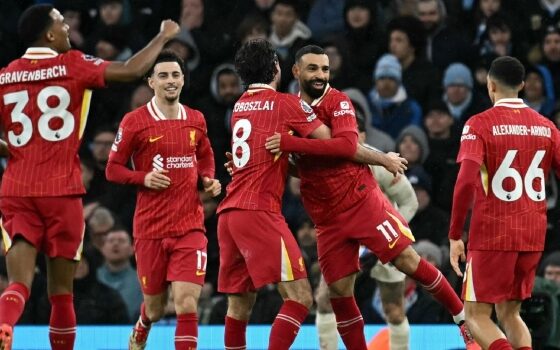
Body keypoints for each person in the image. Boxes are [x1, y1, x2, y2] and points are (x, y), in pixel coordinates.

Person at [265, 45, 479, 349]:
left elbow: (344, 147)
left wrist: (288, 142)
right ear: (296, 71)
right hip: (326, 217)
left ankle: (463, 321)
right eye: (312, 69)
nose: (320, 76)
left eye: (325, 69)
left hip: (361, 201)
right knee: (338, 293)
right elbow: (303, 168)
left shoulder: (339, 101)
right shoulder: (288, 110)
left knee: (407, 260)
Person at [0, 4, 179, 350]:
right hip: (61, 189)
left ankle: (5, 324)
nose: (67, 27)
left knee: (18, 283)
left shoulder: (6, 75)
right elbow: (130, 70)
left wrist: (17, 150)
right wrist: (164, 35)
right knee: (62, 294)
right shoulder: (72, 64)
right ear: (49, 35)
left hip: (16, 189)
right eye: (60, 22)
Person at [218, 39, 406, 350]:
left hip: (229, 213)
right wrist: (383, 158)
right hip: (259, 212)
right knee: (301, 298)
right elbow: (340, 146)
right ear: (277, 69)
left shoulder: (239, 106)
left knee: (238, 306)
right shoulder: (287, 104)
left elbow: (261, 152)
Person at [105, 51, 221, 350]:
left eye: (175, 75)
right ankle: (143, 323)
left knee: (185, 304)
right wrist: (142, 177)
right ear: (151, 81)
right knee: (156, 309)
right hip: (151, 229)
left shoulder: (196, 119)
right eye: (163, 76)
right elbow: (112, 169)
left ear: (183, 80)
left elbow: (205, 154)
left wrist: (207, 177)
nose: (170, 81)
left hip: (190, 227)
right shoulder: (134, 122)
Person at [449, 56, 560, 350]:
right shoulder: (547, 127)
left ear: (490, 85)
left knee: (475, 315)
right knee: (510, 313)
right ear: (522, 85)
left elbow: (464, 182)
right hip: (533, 234)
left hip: (492, 235)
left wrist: (454, 235)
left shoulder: (479, 125)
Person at [315, 113, 419, 350]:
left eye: (352, 132)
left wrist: (390, 233)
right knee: (325, 300)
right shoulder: (325, 161)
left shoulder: (377, 161)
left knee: (393, 310)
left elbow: (409, 202)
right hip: (346, 241)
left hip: (385, 239)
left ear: (362, 135)